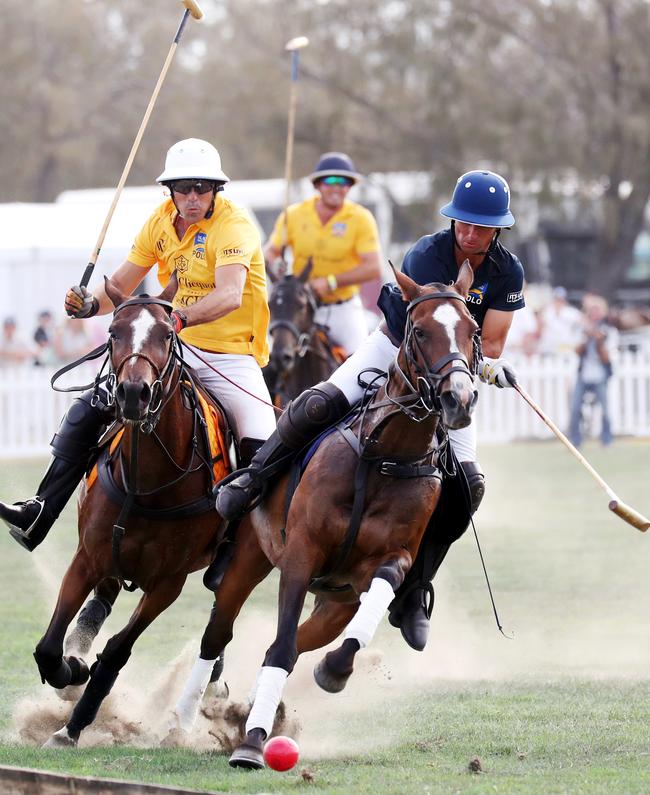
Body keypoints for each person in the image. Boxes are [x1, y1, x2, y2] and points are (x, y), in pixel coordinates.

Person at [216, 169, 525, 651]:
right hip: (397, 348)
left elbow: (497, 339)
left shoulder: (508, 272)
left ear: (498, 229)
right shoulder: (427, 253)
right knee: (318, 402)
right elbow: (418, 324)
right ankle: (253, 479)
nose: (468, 234)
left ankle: (415, 588)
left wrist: (480, 367)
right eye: (462, 224)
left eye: (479, 227)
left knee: (467, 483)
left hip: (453, 370)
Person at [0, 138, 275, 552]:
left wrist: (177, 318)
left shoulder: (235, 226)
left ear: (217, 189)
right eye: (184, 188)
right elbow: (123, 288)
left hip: (230, 353)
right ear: (170, 190)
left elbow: (230, 294)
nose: (193, 197)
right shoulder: (158, 223)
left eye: (203, 187)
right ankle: (40, 509)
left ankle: (238, 548)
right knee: (95, 402)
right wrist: (91, 303)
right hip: (170, 348)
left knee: (262, 445)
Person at [265, 152, 382, 355]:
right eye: (330, 180)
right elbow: (270, 252)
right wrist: (277, 266)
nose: (337, 187)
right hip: (302, 307)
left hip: (342, 309)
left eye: (344, 182)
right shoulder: (293, 214)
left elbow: (373, 268)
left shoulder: (361, 218)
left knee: (364, 364)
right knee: (274, 356)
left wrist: (331, 282)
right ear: (317, 185)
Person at [567, 293, 616, 447]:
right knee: (575, 408)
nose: (594, 313)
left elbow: (607, 357)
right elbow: (576, 350)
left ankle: (606, 439)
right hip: (584, 374)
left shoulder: (609, 330)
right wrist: (588, 338)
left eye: (597, 310)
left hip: (601, 375)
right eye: (592, 310)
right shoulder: (582, 329)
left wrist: (599, 341)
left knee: (605, 410)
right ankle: (575, 440)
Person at [538, 286, 582, 356]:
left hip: (565, 349)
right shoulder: (546, 311)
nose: (559, 301)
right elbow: (539, 329)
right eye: (557, 299)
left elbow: (581, 324)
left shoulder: (572, 312)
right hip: (548, 348)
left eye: (561, 299)